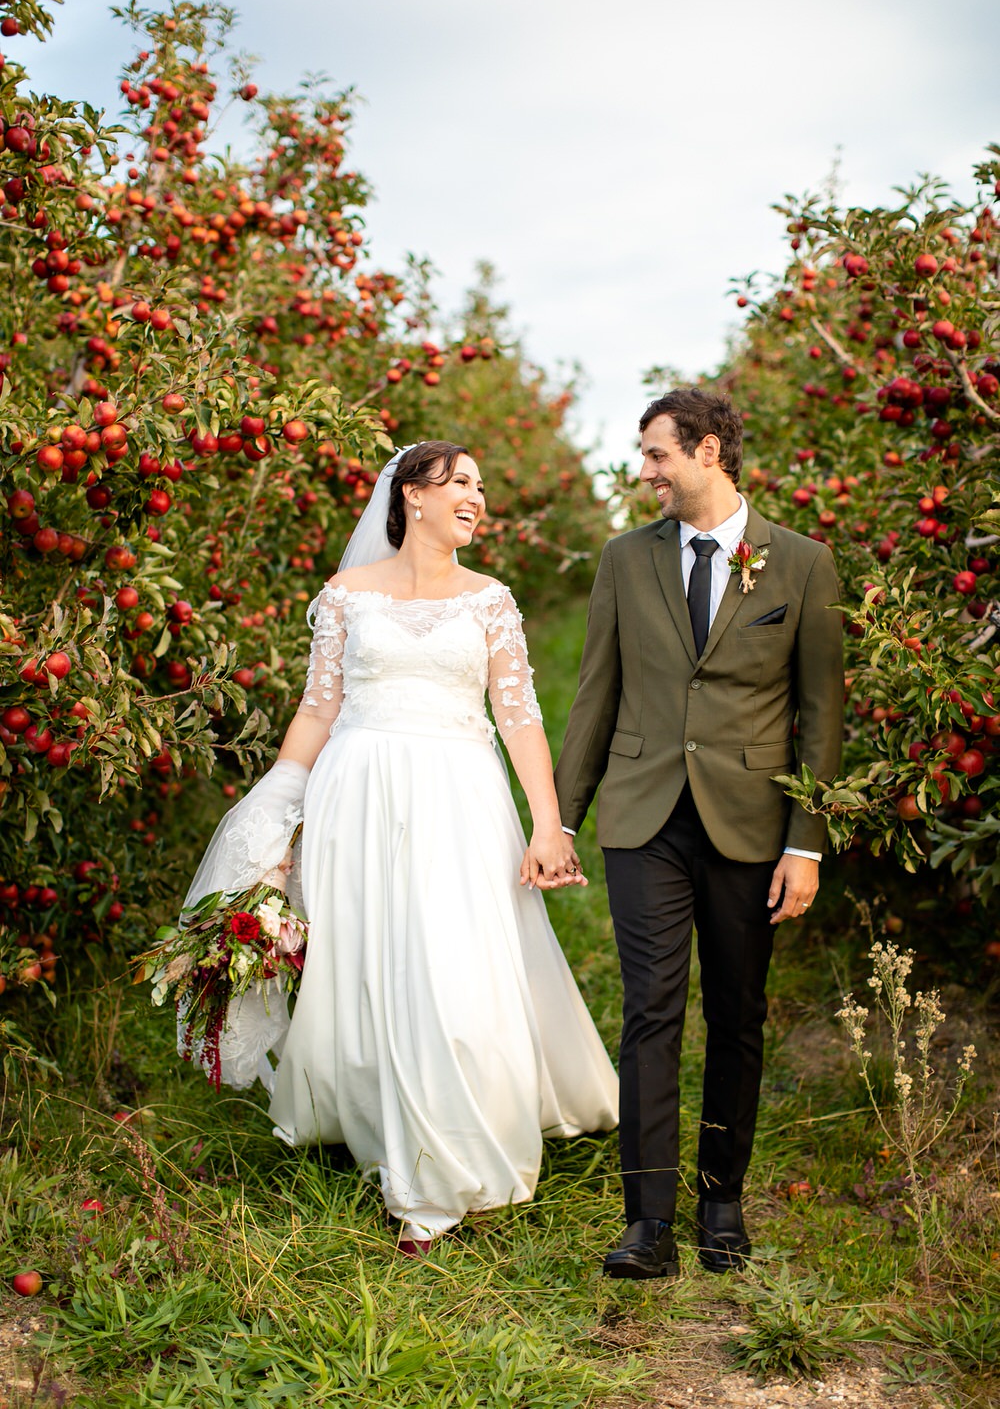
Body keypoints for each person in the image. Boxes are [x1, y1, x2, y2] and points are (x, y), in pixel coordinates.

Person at [183, 441, 618, 1254]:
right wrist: (278, 801)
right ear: (410, 496)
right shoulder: (347, 596)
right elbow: (319, 708)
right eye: (460, 482)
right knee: (373, 962)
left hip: (459, 795)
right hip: (358, 793)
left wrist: (547, 823)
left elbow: (519, 716)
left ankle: (451, 1161)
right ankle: (391, 1138)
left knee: (454, 964)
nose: (477, 498)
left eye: (481, 485)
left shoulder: (490, 600)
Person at [554, 388, 844, 1279]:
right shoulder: (622, 559)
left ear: (709, 451)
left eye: (656, 456)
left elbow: (821, 713)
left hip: (752, 824)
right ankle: (647, 1223)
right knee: (649, 1012)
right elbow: (595, 691)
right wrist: (560, 818)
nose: (645, 474)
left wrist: (806, 843)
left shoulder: (801, 563)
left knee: (738, 1012)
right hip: (642, 817)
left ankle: (722, 1203)